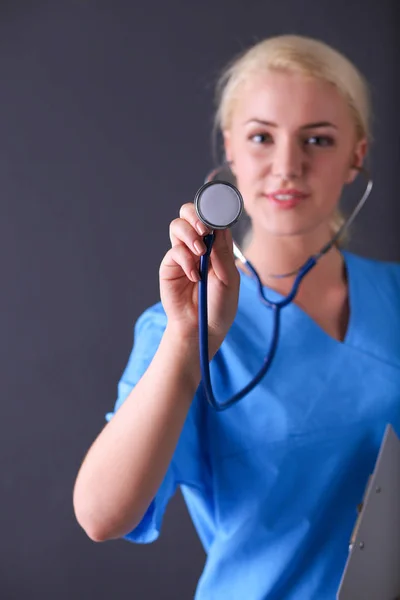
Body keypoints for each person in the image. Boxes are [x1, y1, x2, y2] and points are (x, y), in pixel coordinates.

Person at [73, 34, 400, 599]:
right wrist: (186, 342)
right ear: (230, 149)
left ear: (356, 155)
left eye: (318, 140)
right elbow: (102, 516)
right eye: (261, 137)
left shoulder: (395, 294)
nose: (287, 166)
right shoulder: (183, 325)